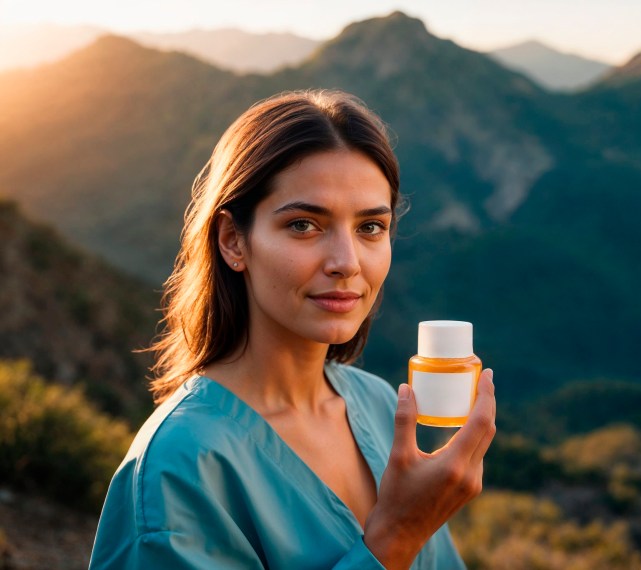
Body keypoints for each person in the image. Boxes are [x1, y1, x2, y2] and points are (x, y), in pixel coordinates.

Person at [88, 89, 496, 569]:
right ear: (233, 241)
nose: (346, 263)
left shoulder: (381, 405)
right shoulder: (178, 468)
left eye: (370, 228)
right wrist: (396, 538)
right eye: (304, 225)